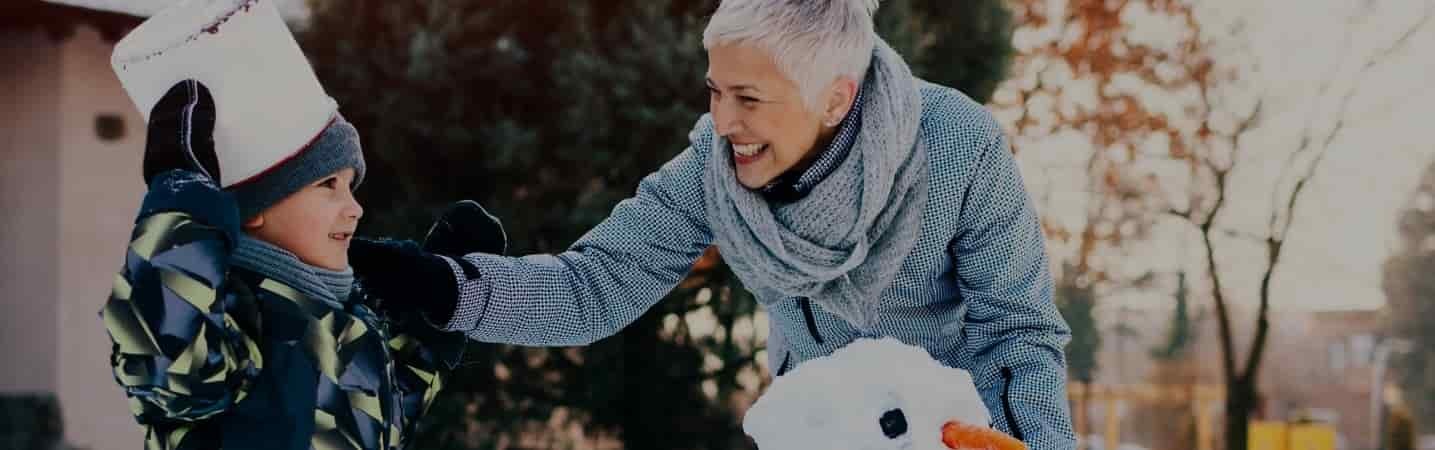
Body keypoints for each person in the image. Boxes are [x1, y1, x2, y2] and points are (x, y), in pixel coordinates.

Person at [353, 0, 1074, 447]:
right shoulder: (714, 171)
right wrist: (446, 289)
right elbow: (593, 286)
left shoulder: (956, 147)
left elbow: (1015, 333)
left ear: (833, 99)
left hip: (946, 427)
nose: (722, 121)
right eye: (715, 92)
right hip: (821, 425)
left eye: (749, 99)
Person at [97, 1, 492, 448]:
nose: (355, 208)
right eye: (328, 185)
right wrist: (184, 199)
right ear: (256, 208)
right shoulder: (242, 325)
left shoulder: (349, 330)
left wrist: (434, 320)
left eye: (351, 186)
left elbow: (382, 420)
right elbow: (167, 350)